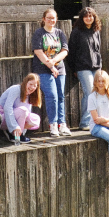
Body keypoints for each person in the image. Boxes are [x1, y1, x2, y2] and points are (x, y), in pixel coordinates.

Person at [31, 8, 71, 137]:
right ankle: (53, 124)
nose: (51, 20)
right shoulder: (39, 33)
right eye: (48, 18)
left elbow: (64, 50)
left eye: (53, 18)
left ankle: (62, 124)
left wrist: (53, 62)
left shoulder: (59, 33)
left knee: (60, 96)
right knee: (52, 96)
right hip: (42, 69)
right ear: (44, 19)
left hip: (59, 68)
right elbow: (38, 51)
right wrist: (50, 66)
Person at [68, 6, 102, 130]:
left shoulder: (96, 31)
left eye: (91, 16)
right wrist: (73, 70)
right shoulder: (76, 32)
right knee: (89, 93)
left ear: (94, 18)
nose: (89, 18)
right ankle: (84, 123)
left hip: (96, 67)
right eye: (86, 16)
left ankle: (93, 120)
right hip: (82, 67)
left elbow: (98, 51)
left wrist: (100, 67)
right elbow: (71, 52)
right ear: (82, 18)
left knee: (97, 93)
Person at [0, 73, 43, 143]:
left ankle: (16, 135)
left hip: (16, 117)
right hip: (1, 118)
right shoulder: (16, 89)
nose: (32, 87)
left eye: (35, 86)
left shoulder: (29, 95)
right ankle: (16, 136)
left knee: (36, 119)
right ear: (25, 82)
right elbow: (7, 108)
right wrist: (14, 127)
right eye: (30, 84)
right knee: (23, 111)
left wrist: (22, 132)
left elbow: (25, 115)